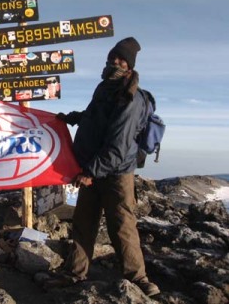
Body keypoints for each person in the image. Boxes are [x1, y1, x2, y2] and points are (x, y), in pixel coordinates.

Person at [56, 37, 160, 297]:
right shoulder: (104, 88)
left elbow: (118, 146)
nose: (115, 61)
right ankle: (75, 273)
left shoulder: (131, 98)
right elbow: (94, 117)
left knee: (122, 227)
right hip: (92, 169)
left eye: (121, 59)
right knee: (83, 223)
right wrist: (71, 118)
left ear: (129, 65)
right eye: (113, 57)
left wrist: (89, 172)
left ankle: (138, 280)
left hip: (115, 174)